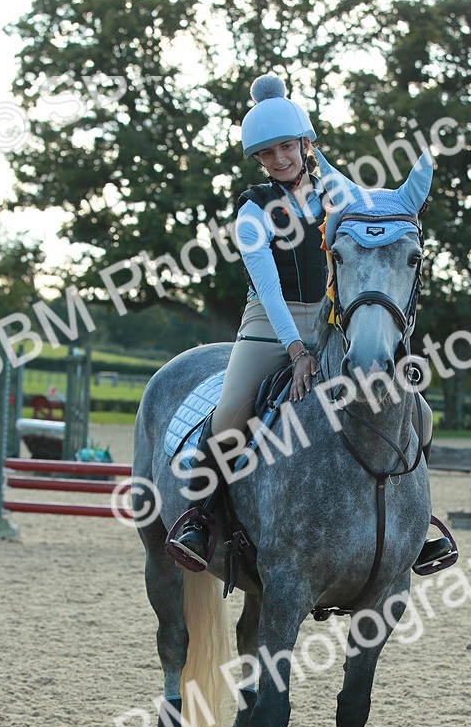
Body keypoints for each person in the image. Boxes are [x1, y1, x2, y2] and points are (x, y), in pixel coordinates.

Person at [168, 74, 451, 573]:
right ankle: (200, 516)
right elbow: (270, 290)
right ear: (259, 160)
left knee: (419, 412)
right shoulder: (253, 210)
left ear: (306, 144)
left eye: (286, 147)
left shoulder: (336, 191)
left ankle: (417, 522)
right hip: (269, 323)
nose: (279, 159)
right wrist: (298, 352)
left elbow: (375, 232)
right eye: (267, 153)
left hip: (334, 319)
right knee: (231, 412)